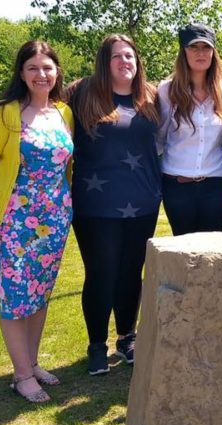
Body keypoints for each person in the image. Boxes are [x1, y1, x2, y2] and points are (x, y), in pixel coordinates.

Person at [0, 40, 73, 402]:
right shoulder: (6, 114)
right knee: (15, 298)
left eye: (47, 67)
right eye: (33, 68)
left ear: (56, 71)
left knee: (40, 294)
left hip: (55, 220)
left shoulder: (64, 113)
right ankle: (21, 374)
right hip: (15, 222)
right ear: (21, 73)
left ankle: (31, 362)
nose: (41, 74)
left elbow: (66, 168)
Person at [67, 34, 161, 375]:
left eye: (131, 56)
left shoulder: (151, 97)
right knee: (101, 274)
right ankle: (96, 345)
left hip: (144, 203)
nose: (125, 62)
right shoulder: (81, 95)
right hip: (96, 206)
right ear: (104, 62)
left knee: (130, 272)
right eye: (117, 57)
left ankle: (127, 338)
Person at [158, 24, 222, 235]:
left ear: (213, 53)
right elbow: (159, 138)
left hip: (215, 186)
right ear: (184, 52)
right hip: (177, 187)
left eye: (206, 47)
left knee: (212, 252)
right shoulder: (167, 91)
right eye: (194, 47)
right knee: (183, 252)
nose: (201, 53)